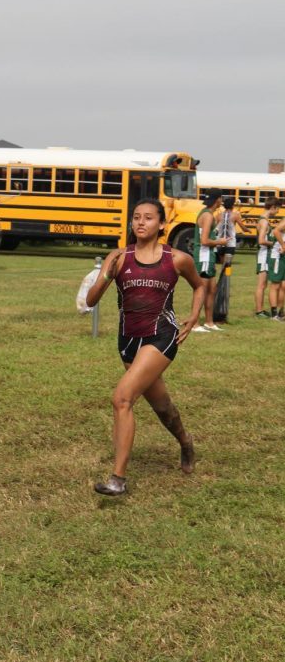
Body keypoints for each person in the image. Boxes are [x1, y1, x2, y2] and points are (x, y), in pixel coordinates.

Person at [86, 198, 205, 496]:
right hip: (128, 341)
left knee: (122, 399)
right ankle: (185, 441)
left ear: (162, 224)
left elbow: (200, 285)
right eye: (136, 217)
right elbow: (90, 300)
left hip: (161, 338)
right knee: (161, 405)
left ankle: (118, 479)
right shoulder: (120, 257)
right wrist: (107, 275)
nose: (140, 222)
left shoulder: (177, 259)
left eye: (148, 218)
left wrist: (193, 316)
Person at [192, 188, 225, 332]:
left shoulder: (209, 214)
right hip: (204, 256)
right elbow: (204, 240)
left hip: (208, 256)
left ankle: (209, 322)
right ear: (217, 199)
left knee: (212, 289)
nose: (222, 201)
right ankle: (194, 324)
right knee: (202, 290)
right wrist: (221, 242)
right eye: (221, 198)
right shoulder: (207, 216)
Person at [255, 197, 280, 317]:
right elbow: (261, 240)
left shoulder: (263, 219)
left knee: (263, 285)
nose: (278, 212)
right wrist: (274, 243)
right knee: (262, 284)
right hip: (263, 255)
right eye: (278, 208)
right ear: (273, 207)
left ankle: (260, 309)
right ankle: (259, 311)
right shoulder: (264, 221)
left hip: (264, 254)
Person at [215, 196, 250, 265]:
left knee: (222, 265)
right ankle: (226, 275)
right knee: (227, 265)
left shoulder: (218, 215)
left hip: (220, 242)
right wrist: (248, 230)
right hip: (230, 242)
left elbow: (215, 228)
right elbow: (243, 228)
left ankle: (223, 275)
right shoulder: (235, 215)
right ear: (232, 206)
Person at [268, 216, 285, 321]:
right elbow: (276, 231)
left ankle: (280, 312)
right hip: (278, 256)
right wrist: (283, 245)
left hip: (283, 257)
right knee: (275, 285)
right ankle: (274, 314)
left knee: (283, 285)